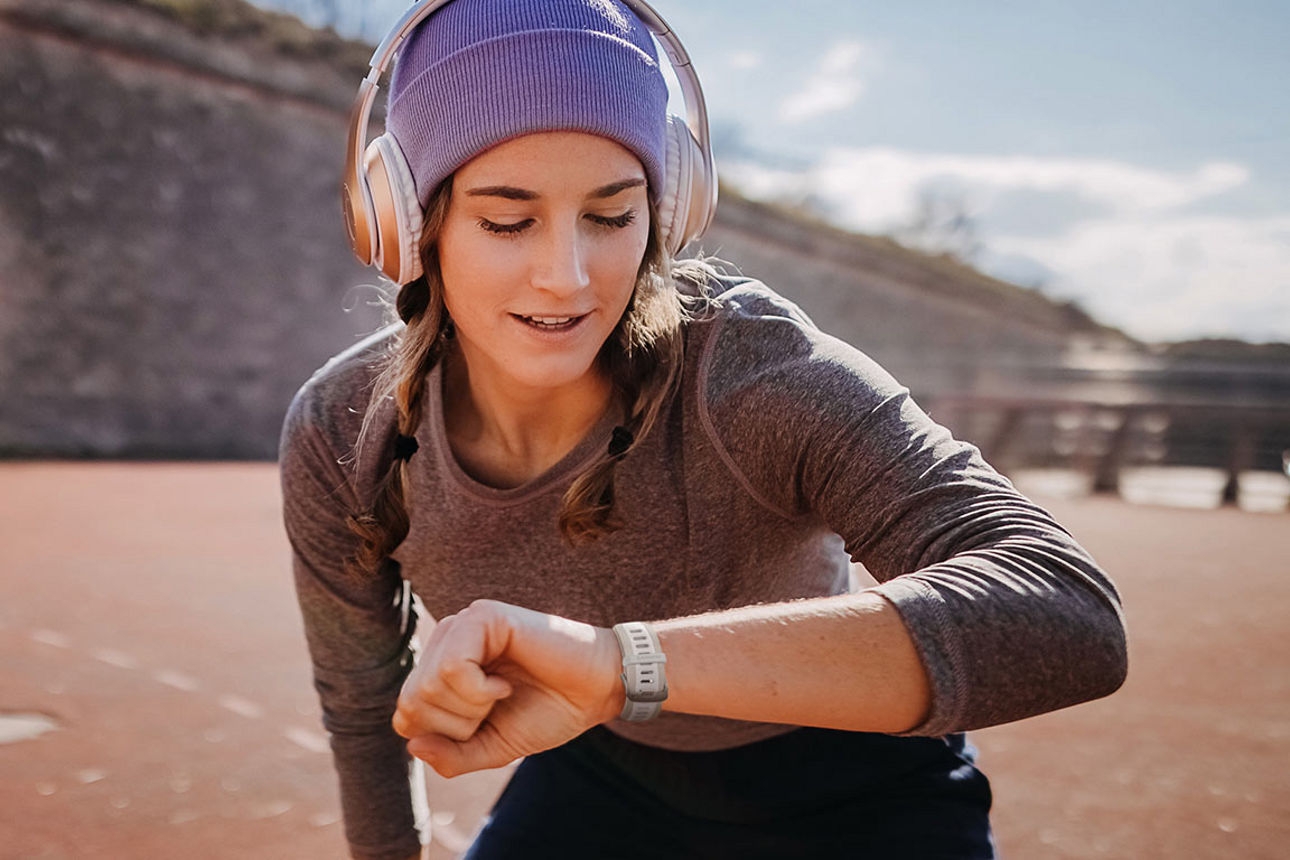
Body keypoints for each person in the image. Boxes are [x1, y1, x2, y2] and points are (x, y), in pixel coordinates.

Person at [279, 1, 1129, 858]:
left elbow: (1069, 614)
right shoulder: (339, 430)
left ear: (669, 209)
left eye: (613, 215)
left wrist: (622, 667)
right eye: (507, 220)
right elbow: (362, 708)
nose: (569, 276)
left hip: (861, 790)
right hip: (607, 776)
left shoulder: (755, 374)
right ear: (406, 224)